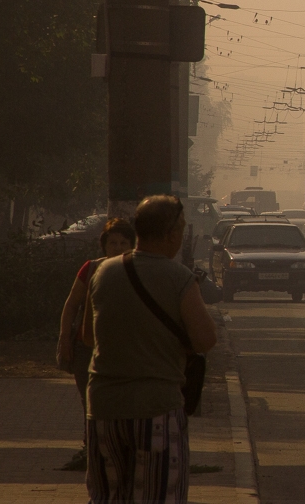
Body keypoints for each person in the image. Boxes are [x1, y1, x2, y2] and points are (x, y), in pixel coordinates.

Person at [82, 195, 217, 504]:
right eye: (181, 229)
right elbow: (205, 340)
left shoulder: (101, 272)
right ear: (171, 235)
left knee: (107, 496)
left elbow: (88, 337)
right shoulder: (179, 278)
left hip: (104, 407)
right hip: (156, 410)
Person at [56, 218, 136, 471]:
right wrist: (63, 340)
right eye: (112, 242)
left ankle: (117, 450)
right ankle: (90, 450)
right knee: (89, 402)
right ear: (103, 246)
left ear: (133, 246)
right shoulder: (90, 269)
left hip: (123, 350)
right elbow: (70, 306)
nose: (118, 247)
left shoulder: (138, 271)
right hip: (86, 347)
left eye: (124, 242)